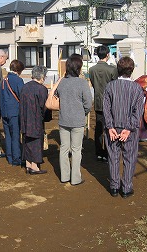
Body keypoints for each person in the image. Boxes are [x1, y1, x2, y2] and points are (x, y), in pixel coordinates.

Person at [103, 56, 144, 199]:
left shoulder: (110, 86)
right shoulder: (137, 89)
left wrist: (110, 126)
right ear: (131, 71)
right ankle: (126, 188)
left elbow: (106, 109)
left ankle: (114, 186)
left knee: (113, 157)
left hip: (114, 128)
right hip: (129, 130)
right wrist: (128, 128)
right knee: (129, 158)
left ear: (118, 69)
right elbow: (137, 112)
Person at [56, 54, 92, 185]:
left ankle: (64, 176)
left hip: (63, 119)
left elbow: (57, 96)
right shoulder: (82, 83)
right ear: (78, 68)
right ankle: (75, 178)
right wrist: (83, 113)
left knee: (64, 148)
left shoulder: (62, 82)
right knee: (76, 150)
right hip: (77, 120)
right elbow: (88, 103)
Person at [88, 45, 118, 162]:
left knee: (99, 128)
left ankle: (99, 152)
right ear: (107, 55)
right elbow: (115, 86)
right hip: (110, 102)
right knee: (110, 127)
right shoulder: (112, 69)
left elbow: (93, 84)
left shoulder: (92, 70)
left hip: (98, 102)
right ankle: (109, 152)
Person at [19, 65, 48, 174]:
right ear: (42, 76)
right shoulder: (42, 89)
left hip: (24, 119)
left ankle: (28, 164)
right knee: (36, 143)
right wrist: (46, 117)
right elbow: (44, 107)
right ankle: (35, 166)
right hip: (36, 120)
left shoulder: (25, 87)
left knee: (27, 141)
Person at [0, 59, 25, 166]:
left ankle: (9, 157)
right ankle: (16, 158)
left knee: (8, 135)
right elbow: (22, 96)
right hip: (14, 111)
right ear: (19, 70)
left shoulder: (4, 80)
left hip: (4, 111)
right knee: (15, 135)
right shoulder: (18, 81)